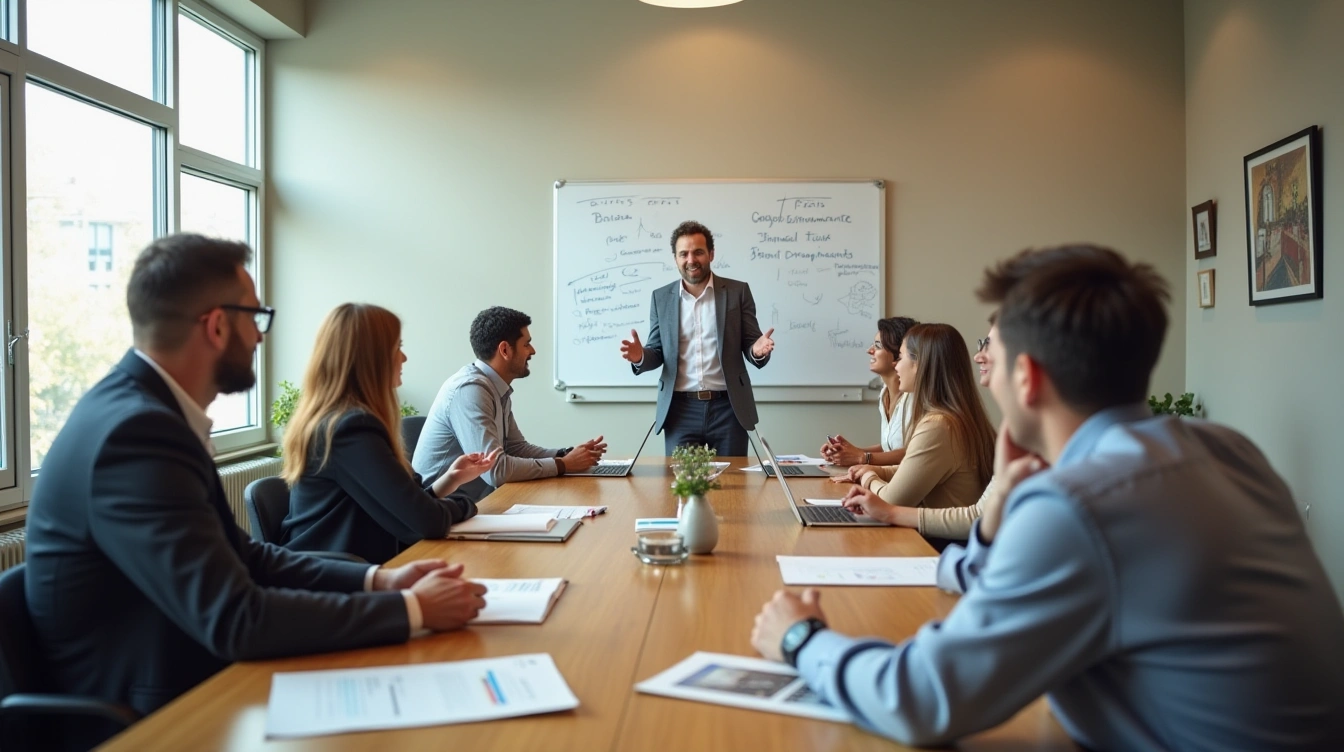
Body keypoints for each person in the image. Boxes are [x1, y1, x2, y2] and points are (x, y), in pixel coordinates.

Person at [751, 244, 1344, 750]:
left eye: (992, 348)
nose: (980, 359)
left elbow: (923, 700)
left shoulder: (1080, 506)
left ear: (1028, 378)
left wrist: (801, 638)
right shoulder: (1226, 449)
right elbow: (1015, 574)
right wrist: (1003, 499)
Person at [23, 234, 488, 750]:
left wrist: (381, 581)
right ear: (218, 325)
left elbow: (247, 555)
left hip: (184, 668)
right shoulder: (136, 434)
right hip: (155, 712)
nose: (261, 337)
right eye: (256, 318)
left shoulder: (145, 414)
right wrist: (412, 610)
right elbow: (236, 619)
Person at [279, 303, 500, 564]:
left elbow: (400, 508)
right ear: (371, 358)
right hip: (338, 579)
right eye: (397, 348)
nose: (403, 358)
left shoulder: (340, 421)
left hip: (353, 565)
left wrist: (451, 480)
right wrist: (467, 505)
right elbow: (426, 522)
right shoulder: (350, 430)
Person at [413, 306, 606, 500]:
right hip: (442, 512)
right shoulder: (471, 390)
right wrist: (563, 464)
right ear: (505, 349)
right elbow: (496, 470)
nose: (533, 351)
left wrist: (566, 454)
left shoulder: (495, 387)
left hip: (474, 502)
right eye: (526, 344)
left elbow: (516, 448)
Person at [619, 220, 775, 456]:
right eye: (684, 254)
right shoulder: (661, 298)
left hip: (729, 408)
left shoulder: (737, 292)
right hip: (680, 409)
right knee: (682, 486)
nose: (691, 260)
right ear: (675, 258)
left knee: (733, 488)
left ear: (711, 254)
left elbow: (752, 344)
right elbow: (657, 352)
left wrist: (757, 350)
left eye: (698, 252)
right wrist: (640, 356)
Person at [845, 318, 998, 540]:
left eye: (902, 356)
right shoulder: (957, 417)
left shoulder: (939, 425)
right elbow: (914, 469)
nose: (896, 364)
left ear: (921, 363)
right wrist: (877, 471)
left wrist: (868, 477)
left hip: (938, 547)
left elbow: (890, 501)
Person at [819, 316, 919, 466]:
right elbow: (889, 449)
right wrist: (849, 452)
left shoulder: (917, 399)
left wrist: (861, 457)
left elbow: (914, 453)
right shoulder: (884, 393)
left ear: (899, 352)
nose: (869, 350)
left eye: (877, 346)